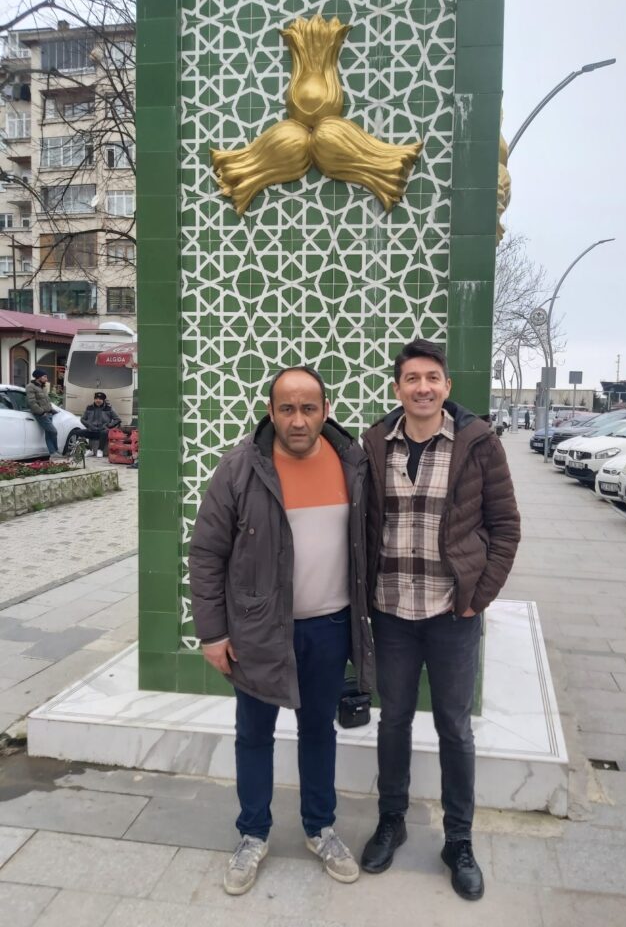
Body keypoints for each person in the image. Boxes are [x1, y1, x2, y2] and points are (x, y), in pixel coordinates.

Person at [189, 366, 373, 897]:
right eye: (286, 408)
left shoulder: (353, 464)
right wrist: (212, 634)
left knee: (319, 730)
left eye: (308, 408)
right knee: (254, 734)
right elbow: (206, 554)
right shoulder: (240, 468)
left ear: (326, 410)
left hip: (330, 628)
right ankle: (253, 833)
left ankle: (320, 828)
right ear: (270, 412)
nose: (297, 420)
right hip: (258, 631)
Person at [360, 339, 521, 902]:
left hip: (453, 613)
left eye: (432, 378)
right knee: (393, 721)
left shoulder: (479, 444)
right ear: (398, 387)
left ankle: (459, 840)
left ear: (447, 386)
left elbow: (506, 527)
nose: (422, 387)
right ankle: (392, 820)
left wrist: (479, 596)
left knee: (455, 727)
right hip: (392, 611)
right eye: (412, 378)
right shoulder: (375, 443)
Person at [25, 368, 62, 458]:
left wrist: (51, 410)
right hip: (41, 414)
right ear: (38, 377)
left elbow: (46, 401)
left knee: (49, 434)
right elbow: (32, 402)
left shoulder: (43, 387)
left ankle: (53, 453)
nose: (46, 378)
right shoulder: (30, 387)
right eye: (44, 376)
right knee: (53, 431)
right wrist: (41, 412)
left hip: (49, 413)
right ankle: (54, 451)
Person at [79, 392, 121, 457]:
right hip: (91, 430)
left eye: (100, 399)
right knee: (77, 432)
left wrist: (108, 425)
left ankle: (100, 450)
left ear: (103, 400)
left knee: (104, 432)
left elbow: (117, 419)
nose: (98, 400)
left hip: (103, 431)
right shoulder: (89, 407)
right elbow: (82, 419)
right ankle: (89, 450)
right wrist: (89, 425)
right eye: (96, 399)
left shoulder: (108, 408)